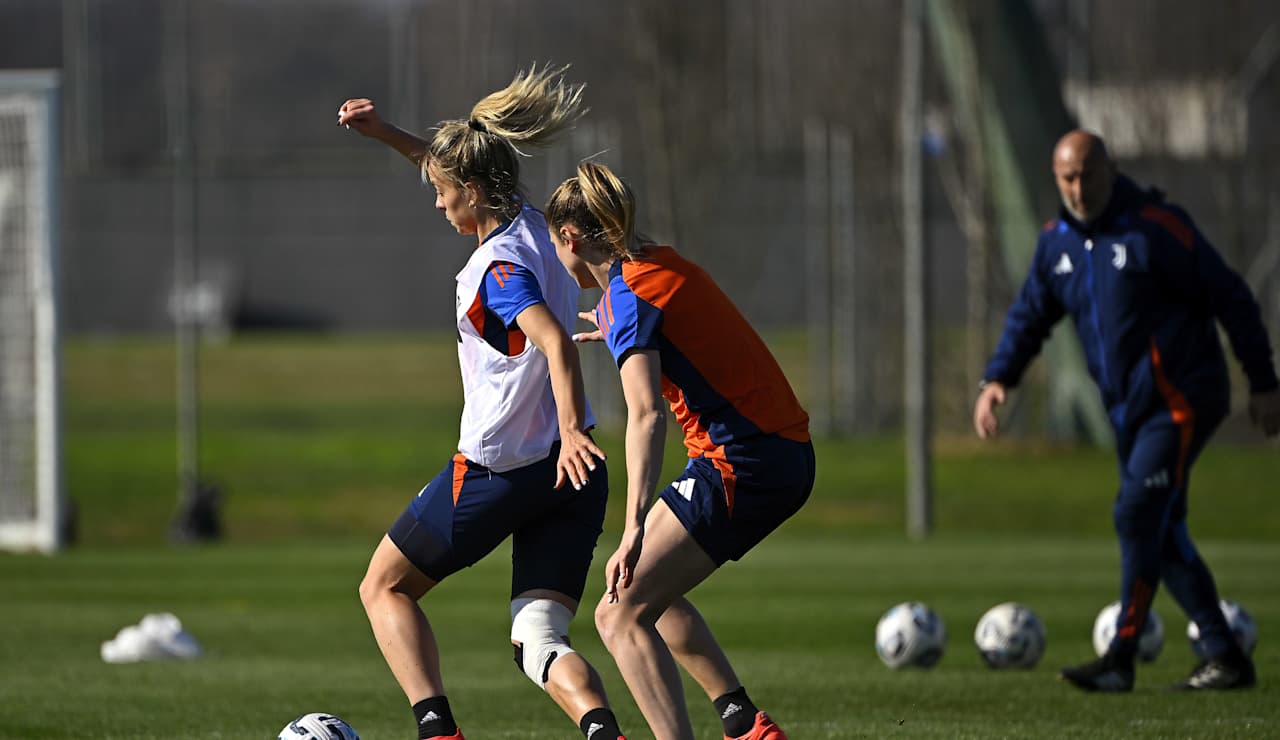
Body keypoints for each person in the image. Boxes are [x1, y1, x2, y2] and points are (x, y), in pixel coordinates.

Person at [336, 67, 627, 740]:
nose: (438, 205)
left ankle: (439, 733)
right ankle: (601, 729)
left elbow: (554, 341)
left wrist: (578, 424)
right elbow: (445, 162)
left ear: (471, 192)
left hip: (500, 472)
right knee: (537, 640)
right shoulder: (533, 223)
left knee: (383, 587)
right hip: (572, 478)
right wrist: (386, 134)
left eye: (442, 194)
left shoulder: (495, 270)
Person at [974, 129, 1280, 692]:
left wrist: (1262, 380)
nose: (1078, 187)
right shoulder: (1056, 244)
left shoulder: (1155, 228)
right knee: (1161, 532)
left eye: (1087, 173)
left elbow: (1231, 296)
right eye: (1066, 177)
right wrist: (998, 379)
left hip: (1183, 398)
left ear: (1110, 170)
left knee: (1136, 513)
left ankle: (1121, 656)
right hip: (1129, 412)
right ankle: (1224, 655)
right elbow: (1029, 316)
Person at [546, 161, 814, 740]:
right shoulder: (659, 264)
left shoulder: (629, 297)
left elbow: (645, 416)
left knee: (617, 612)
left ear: (569, 238)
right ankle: (745, 725)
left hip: (745, 461)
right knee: (652, 594)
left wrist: (633, 526)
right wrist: (616, 323)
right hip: (779, 453)